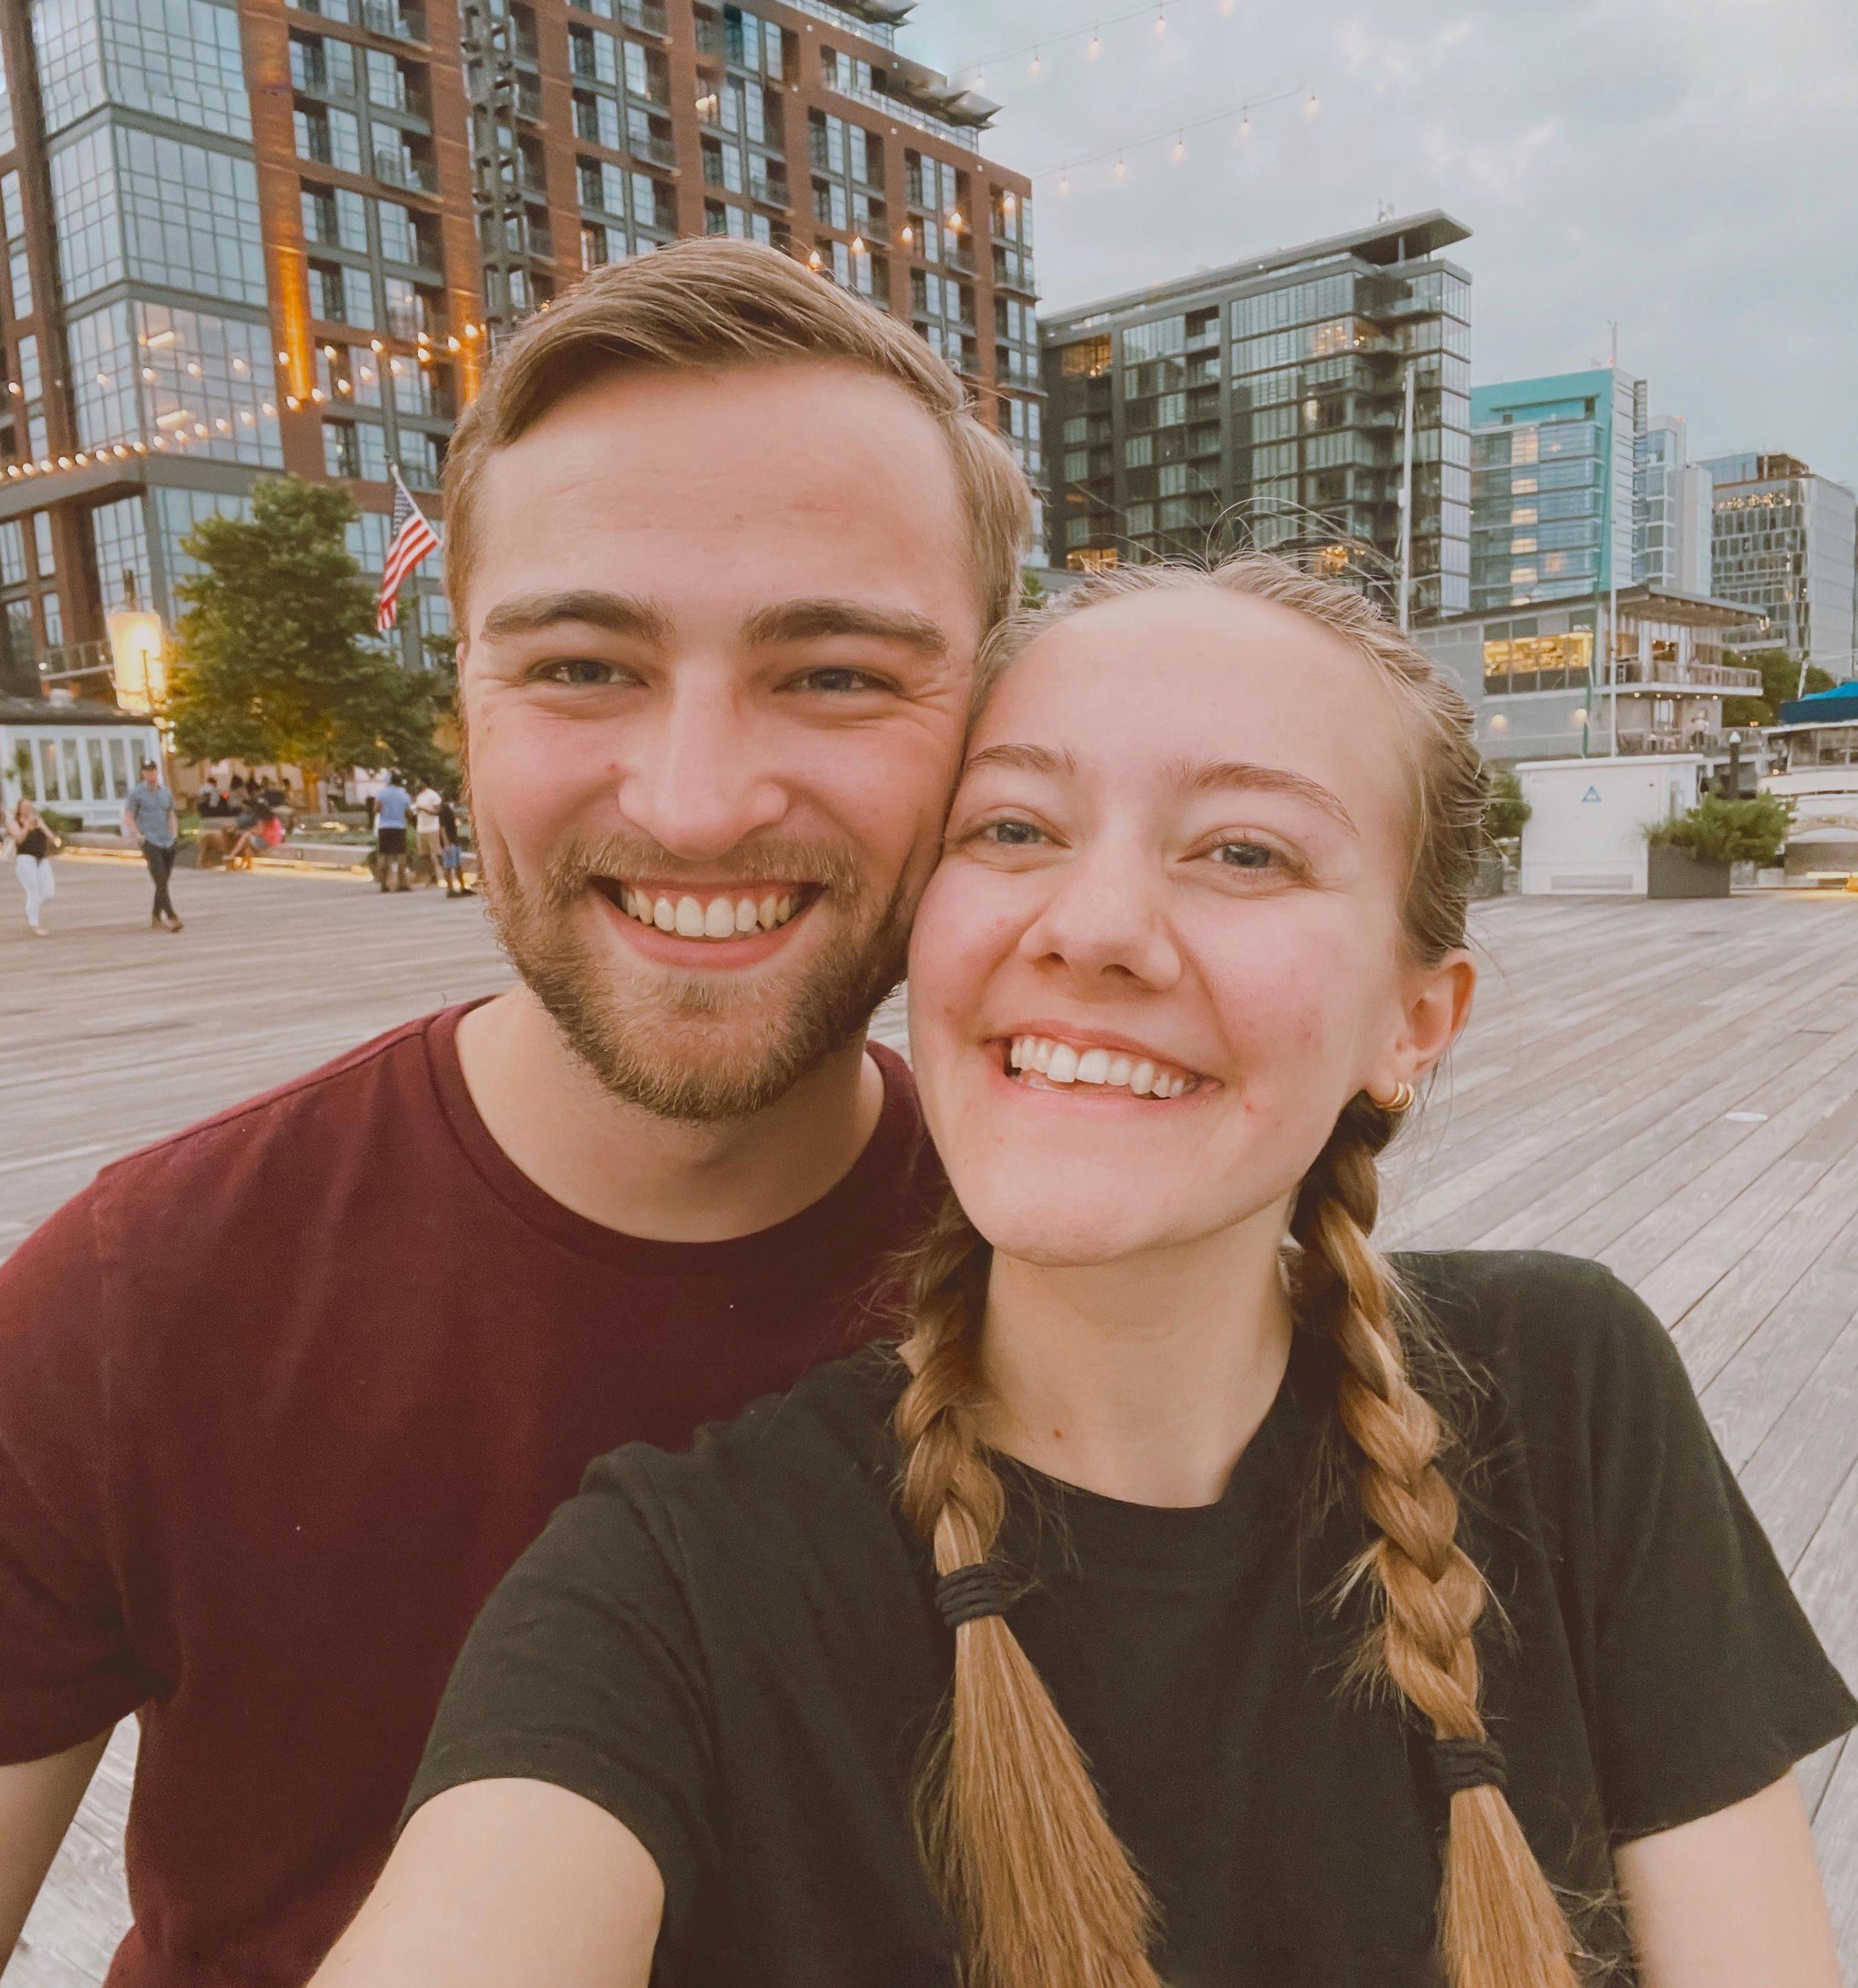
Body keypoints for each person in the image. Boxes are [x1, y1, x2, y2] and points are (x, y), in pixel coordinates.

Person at [319, 560, 1854, 1988]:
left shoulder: (1561, 1396)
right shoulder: (674, 1583)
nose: (1097, 924)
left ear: (1414, 1017)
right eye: (1012, 829)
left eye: (1243, 850)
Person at [0, 237, 1027, 1987]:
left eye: (838, 674)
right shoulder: (140, 1307)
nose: (699, 800)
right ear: (464, 711)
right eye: (581, 667)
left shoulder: (1100, 1274)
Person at [122, 761, 184, 934]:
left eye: (153, 771)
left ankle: (156, 915)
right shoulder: (137, 794)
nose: (150, 774)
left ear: (157, 772)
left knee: (163, 880)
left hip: (166, 840)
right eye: (147, 772)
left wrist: (174, 834)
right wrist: (138, 835)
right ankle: (172, 916)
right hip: (149, 840)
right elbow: (129, 816)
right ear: (143, 773)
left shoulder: (165, 792)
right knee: (160, 877)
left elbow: (171, 814)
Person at [5, 797, 60, 936]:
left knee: (49, 893)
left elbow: (52, 839)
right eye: (25, 807)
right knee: (33, 892)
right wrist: (27, 826)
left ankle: (31, 911)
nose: (28, 810)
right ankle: (35, 923)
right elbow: (19, 838)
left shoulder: (38, 821)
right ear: (19, 809)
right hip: (25, 859)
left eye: (30, 807)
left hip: (41, 858)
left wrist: (41, 826)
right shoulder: (14, 823)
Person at [374, 773, 413, 893]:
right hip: (399, 827)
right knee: (401, 855)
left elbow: (376, 809)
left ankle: (384, 884)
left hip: (384, 827)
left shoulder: (382, 793)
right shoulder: (404, 795)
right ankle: (402, 884)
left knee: (384, 856)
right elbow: (408, 813)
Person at [438, 793, 473, 899]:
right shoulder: (444, 810)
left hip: (454, 840)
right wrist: (446, 844)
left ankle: (462, 887)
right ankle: (450, 889)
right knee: (449, 866)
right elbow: (442, 828)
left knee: (458, 865)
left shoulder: (449, 808)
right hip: (449, 842)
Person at [412, 782, 444, 887]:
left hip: (432, 828)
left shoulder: (432, 795)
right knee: (424, 855)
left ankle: (445, 874)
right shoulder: (419, 796)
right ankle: (432, 876)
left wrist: (424, 810)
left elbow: (438, 811)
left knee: (437, 853)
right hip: (421, 829)